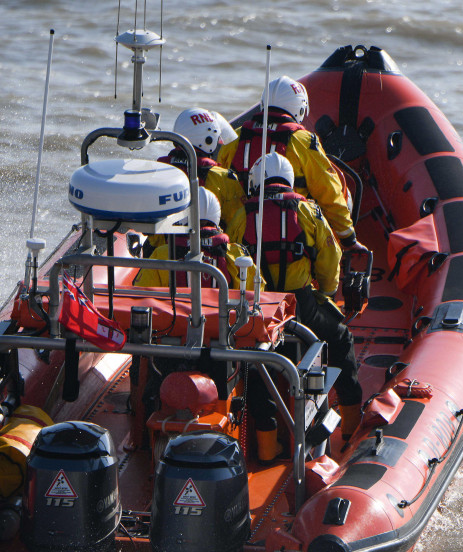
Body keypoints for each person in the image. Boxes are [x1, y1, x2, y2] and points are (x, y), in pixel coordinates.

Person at [227, 153, 363, 461]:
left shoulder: (239, 216)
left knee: (253, 363)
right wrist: (326, 293)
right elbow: (330, 258)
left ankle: (266, 446)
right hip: (301, 305)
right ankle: (353, 427)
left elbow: (232, 261)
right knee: (341, 339)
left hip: (260, 308)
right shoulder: (308, 211)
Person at [218, 76, 368, 254]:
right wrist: (348, 238)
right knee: (339, 184)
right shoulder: (303, 142)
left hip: (241, 239)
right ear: (300, 108)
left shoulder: (235, 141)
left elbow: (219, 187)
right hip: (292, 240)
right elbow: (330, 192)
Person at [134, 187, 252, 290]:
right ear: (216, 216)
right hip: (222, 315)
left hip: (178, 315)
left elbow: (140, 296)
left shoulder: (161, 255)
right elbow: (257, 295)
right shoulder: (237, 256)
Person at [158, 107, 245, 225]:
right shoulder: (223, 178)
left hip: (166, 242)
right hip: (207, 241)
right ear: (208, 140)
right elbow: (237, 221)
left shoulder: (159, 169)